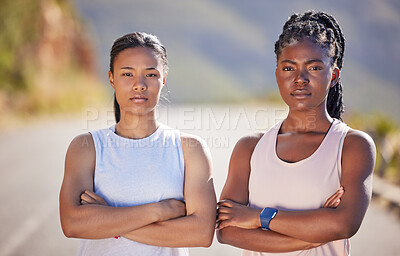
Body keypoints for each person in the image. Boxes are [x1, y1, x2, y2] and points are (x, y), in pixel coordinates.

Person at [216, 11, 376, 255]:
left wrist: (258, 217)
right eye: (289, 68)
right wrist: (310, 237)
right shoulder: (249, 148)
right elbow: (226, 230)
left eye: (313, 67)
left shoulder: (352, 146)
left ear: (333, 75)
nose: (300, 79)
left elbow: (344, 224)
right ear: (278, 73)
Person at [59, 32, 217, 255]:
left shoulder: (190, 149)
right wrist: (159, 210)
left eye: (150, 74)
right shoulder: (87, 147)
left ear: (163, 78)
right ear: (111, 78)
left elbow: (201, 233)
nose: (139, 85)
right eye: (127, 74)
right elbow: (73, 224)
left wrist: (107, 218)